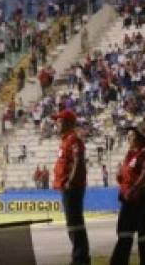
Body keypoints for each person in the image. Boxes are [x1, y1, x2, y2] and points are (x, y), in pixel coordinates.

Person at [110, 122, 145, 265]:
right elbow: (127, 173)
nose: (128, 138)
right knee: (124, 232)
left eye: (131, 136)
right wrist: (120, 176)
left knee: (144, 234)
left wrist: (134, 188)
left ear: (140, 138)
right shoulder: (130, 154)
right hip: (129, 200)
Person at [52, 109, 90, 265]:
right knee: (72, 224)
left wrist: (71, 181)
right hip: (67, 187)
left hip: (72, 188)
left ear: (68, 123)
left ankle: (80, 258)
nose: (56, 123)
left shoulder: (73, 140)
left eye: (59, 121)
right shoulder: (66, 140)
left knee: (75, 224)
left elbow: (78, 160)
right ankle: (79, 257)